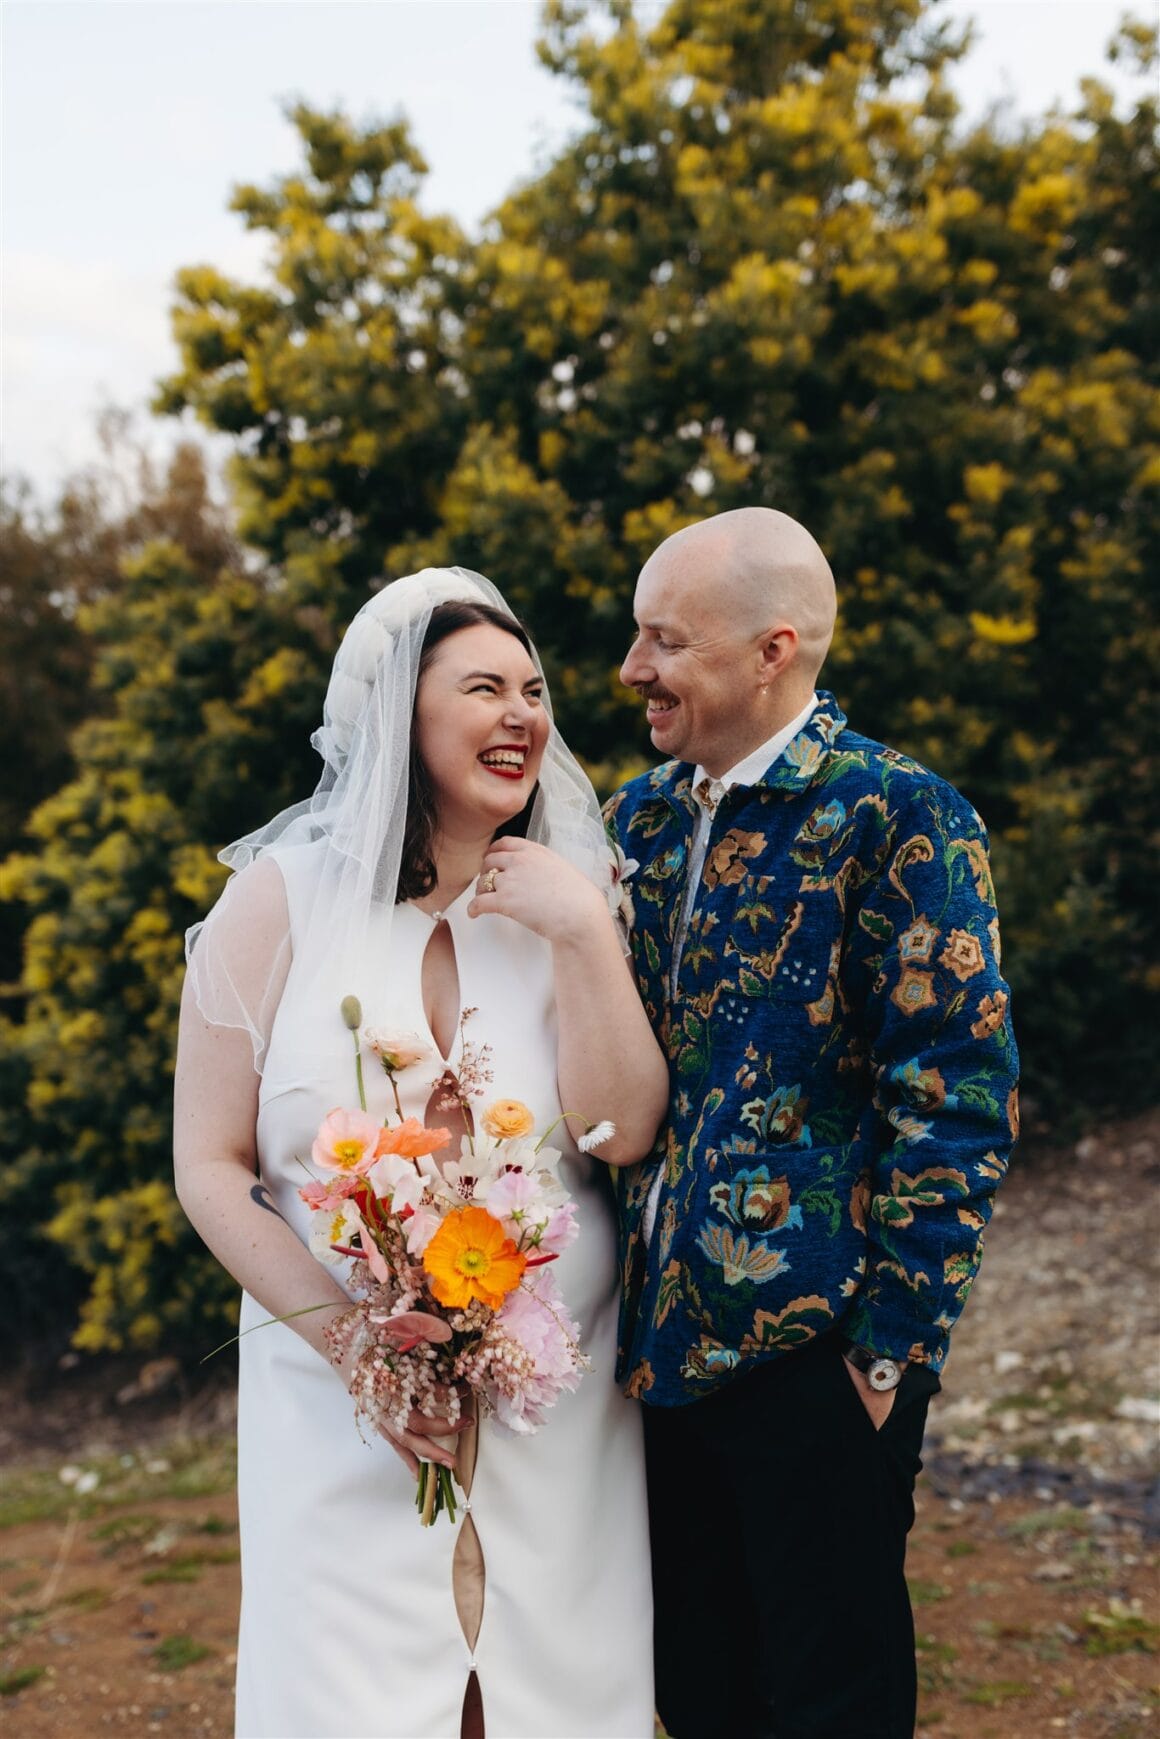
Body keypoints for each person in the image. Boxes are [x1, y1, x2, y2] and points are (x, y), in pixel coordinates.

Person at [173, 567, 667, 1739]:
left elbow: (622, 1129)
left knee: (550, 1695)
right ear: (399, 712)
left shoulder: (574, 902)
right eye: (482, 687)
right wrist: (356, 1348)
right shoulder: (277, 904)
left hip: (558, 1407)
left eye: (533, 691)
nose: (521, 715)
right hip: (335, 1401)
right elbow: (210, 1163)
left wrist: (581, 930)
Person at [604, 508, 1019, 1739]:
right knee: (700, 1696)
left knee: (833, 1702)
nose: (630, 668)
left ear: (769, 651)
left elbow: (954, 1097)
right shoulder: (630, 824)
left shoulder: (900, 816)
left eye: (663, 639)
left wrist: (888, 1354)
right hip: (652, 1357)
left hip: (819, 1355)